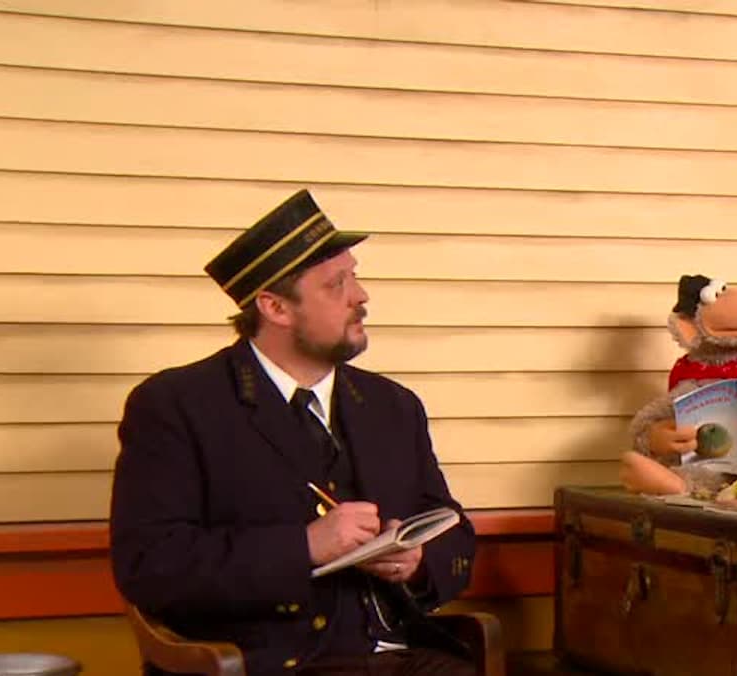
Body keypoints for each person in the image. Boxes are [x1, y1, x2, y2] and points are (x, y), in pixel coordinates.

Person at [109, 189, 480, 675]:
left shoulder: (393, 406)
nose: (360, 296)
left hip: (403, 656)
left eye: (355, 276)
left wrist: (417, 561)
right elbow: (152, 568)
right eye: (336, 284)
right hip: (271, 666)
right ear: (275, 307)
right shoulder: (176, 407)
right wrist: (303, 547)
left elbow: (453, 530)